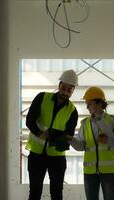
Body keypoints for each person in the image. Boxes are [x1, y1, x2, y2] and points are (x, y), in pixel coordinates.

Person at [25, 69, 79, 200]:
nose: (65, 92)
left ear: (73, 91)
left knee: (56, 193)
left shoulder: (72, 111)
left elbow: (68, 136)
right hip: (37, 155)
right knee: (35, 192)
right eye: (63, 88)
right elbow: (29, 120)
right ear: (59, 85)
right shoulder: (42, 97)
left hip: (57, 157)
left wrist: (55, 137)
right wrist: (40, 133)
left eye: (69, 90)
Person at [67, 86, 114, 200]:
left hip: (109, 172)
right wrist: (71, 139)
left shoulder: (113, 121)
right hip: (90, 172)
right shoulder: (85, 123)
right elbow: (81, 147)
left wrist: (108, 141)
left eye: (89, 104)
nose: (87, 107)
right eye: (87, 104)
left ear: (99, 103)